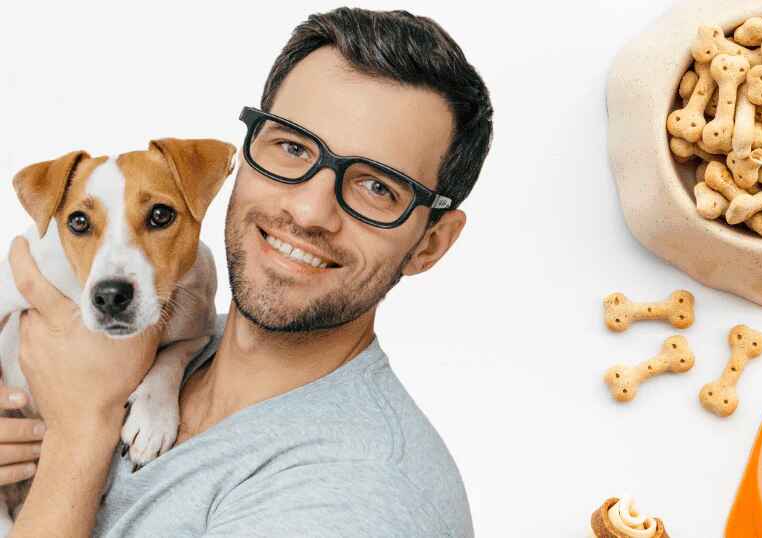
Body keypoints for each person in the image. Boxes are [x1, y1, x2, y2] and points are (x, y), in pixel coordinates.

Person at [2, 7, 492, 537]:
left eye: (377, 187)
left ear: (430, 244)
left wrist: (78, 434)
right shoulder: (149, 341)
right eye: (292, 147)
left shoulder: (357, 496)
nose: (308, 212)